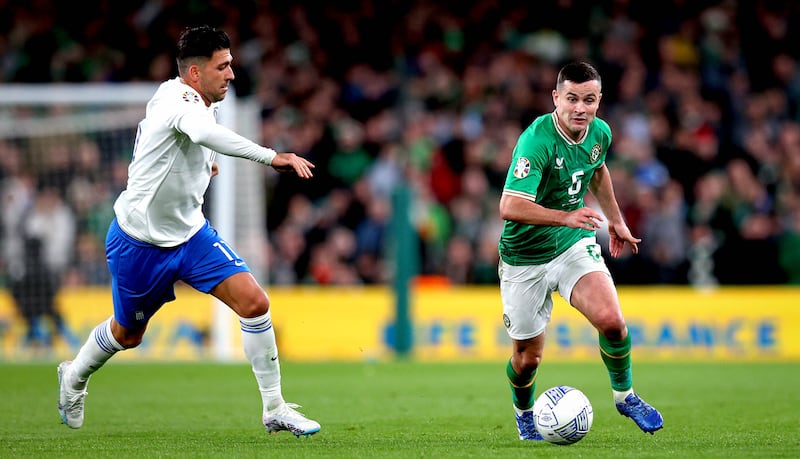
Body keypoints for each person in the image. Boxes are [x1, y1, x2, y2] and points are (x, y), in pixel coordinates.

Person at [57, 25, 320, 438]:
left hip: (192, 236)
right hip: (140, 243)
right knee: (128, 335)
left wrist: (205, 165)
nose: (231, 74)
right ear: (195, 74)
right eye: (223, 66)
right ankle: (74, 377)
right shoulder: (178, 100)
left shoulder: (201, 102)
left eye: (231, 64)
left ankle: (275, 409)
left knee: (255, 303)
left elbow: (195, 140)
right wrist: (272, 157)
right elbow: (200, 131)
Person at [497, 61, 663, 440]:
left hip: (572, 245)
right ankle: (525, 413)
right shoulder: (536, 141)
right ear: (556, 98)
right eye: (571, 99)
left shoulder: (599, 133)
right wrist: (564, 216)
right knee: (527, 360)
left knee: (613, 322)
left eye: (588, 100)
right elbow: (509, 205)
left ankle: (626, 396)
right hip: (524, 257)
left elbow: (598, 169)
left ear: (599, 101)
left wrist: (616, 220)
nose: (580, 108)